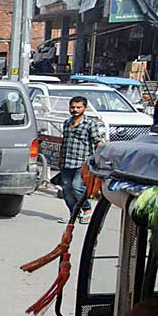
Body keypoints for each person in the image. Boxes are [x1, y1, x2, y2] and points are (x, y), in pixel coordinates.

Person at [59, 96, 104, 224]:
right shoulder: (67, 123)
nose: (75, 110)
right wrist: (60, 158)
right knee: (66, 190)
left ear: (85, 108)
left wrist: (104, 156)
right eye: (73, 107)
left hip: (83, 162)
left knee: (77, 187)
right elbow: (64, 142)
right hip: (67, 162)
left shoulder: (90, 124)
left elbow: (97, 142)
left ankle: (87, 210)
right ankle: (74, 214)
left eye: (78, 107)